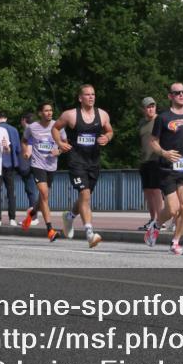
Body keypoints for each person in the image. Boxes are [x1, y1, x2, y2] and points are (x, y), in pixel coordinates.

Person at [144, 82, 183, 255]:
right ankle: (156, 225)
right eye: (177, 93)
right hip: (167, 169)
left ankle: (175, 242)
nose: (181, 95)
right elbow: (152, 142)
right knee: (172, 209)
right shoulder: (163, 118)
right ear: (170, 96)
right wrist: (164, 153)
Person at [54, 84, 114, 248]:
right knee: (85, 195)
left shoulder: (102, 115)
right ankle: (89, 233)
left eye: (93, 94)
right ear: (80, 98)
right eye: (87, 95)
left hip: (93, 161)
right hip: (76, 160)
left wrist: (107, 138)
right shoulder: (70, 115)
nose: (91, 97)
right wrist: (60, 142)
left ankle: (70, 217)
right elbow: (55, 128)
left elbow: (109, 131)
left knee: (84, 198)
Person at [21, 103, 61, 241]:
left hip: (52, 165)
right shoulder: (32, 127)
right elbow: (25, 140)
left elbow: (66, 143)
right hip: (37, 164)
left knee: (43, 197)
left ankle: (31, 213)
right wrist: (26, 152)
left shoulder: (58, 126)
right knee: (44, 194)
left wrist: (59, 150)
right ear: (40, 113)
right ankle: (50, 230)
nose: (49, 113)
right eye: (46, 110)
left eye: (51, 110)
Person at [0, 111, 23, 226]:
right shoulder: (14, 130)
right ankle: (12, 218)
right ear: (7, 118)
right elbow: (18, 149)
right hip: (11, 164)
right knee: (11, 192)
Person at [137, 97, 163, 231]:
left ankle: (161, 220)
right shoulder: (142, 123)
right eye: (148, 107)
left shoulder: (159, 120)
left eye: (153, 106)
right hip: (145, 160)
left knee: (156, 190)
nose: (151, 109)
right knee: (147, 191)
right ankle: (153, 219)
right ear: (143, 109)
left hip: (156, 159)